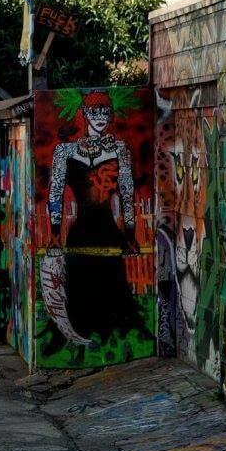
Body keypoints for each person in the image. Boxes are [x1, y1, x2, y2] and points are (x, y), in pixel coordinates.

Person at [46, 91, 144, 348]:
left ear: (110, 115)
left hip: (108, 231)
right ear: (85, 115)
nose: (100, 117)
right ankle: (82, 333)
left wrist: (130, 234)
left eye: (105, 112)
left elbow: (127, 192)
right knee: (81, 286)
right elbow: (54, 194)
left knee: (110, 288)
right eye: (95, 112)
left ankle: (113, 334)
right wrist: (54, 234)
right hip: (79, 233)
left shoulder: (120, 149)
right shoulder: (65, 152)